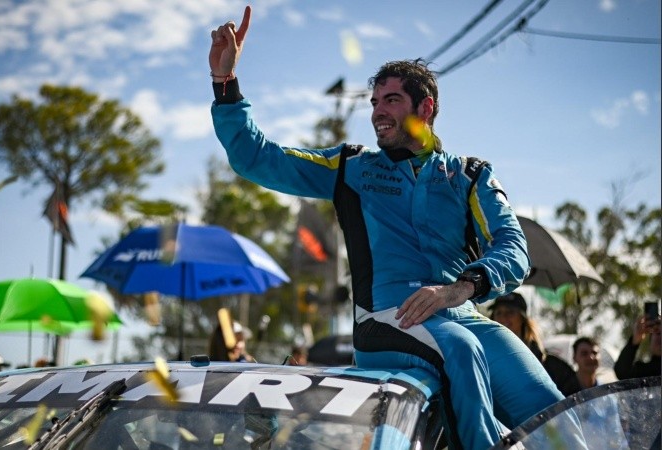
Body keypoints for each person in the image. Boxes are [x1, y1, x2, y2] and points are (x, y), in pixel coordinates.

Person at [209, 7, 574, 449]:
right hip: (387, 319)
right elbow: (255, 157)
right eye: (375, 103)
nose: (378, 113)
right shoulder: (352, 167)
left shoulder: (470, 175)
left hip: (462, 315)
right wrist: (226, 86)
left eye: (391, 101)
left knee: (558, 416)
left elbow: (514, 249)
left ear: (426, 108)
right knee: (459, 349)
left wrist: (458, 289)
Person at [488, 293, 579, 396]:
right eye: (498, 312)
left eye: (510, 312)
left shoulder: (551, 366)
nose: (503, 317)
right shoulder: (486, 359)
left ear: (523, 318)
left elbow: (574, 401)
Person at [614, 313, 662, 380]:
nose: (660, 338)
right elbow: (622, 372)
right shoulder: (645, 372)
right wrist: (634, 341)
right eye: (658, 333)